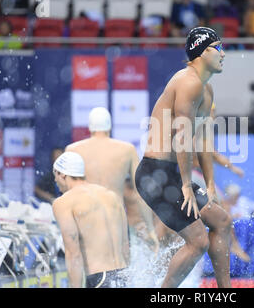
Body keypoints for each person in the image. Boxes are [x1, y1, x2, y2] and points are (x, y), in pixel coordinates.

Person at [135, 27, 232, 288]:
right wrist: (187, 184)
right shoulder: (188, 82)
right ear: (202, 51)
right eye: (219, 48)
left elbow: (201, 141)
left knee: (222, 221)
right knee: (198, 241)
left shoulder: (206, 90)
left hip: (171, 175)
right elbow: (182, 137)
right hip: (154, 175)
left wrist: (210, 183)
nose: (224, 53)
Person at [65, 107, 158, 254]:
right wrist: (150, 229)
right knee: (120, 271)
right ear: (109, 127)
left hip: (86, 219)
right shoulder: (127, 150)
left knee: (90, 269)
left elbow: (67, 194)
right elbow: (140, 193)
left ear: (90, 127)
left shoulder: (73, 150)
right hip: (115, 219)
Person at [52, 152, 129, 288]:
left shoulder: (64, 202)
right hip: (124, 276)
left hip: (99, 279)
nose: (55, 181)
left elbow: (73, 255)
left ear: (62, 174)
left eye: (55, 176)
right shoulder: (111, 196)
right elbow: (125, 245)